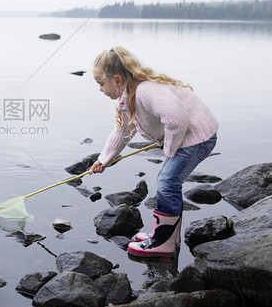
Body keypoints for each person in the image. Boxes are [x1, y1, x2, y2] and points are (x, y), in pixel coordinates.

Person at [89, 46, 218, 258]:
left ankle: (163, 243)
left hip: (197, 137)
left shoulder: (147, 91)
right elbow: (122, 132)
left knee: (168, 181)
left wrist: (169, 151)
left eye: (102, 84)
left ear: (118, 80)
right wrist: (103, 159)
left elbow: (176, 119)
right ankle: (166, 237)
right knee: (167, 180)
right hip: (185, 138)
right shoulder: (127, 99)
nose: (101, 89)